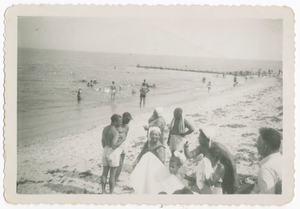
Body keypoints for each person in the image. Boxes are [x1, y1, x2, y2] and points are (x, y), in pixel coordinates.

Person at [183, 127, 239, 194]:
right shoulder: (202, 147)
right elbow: (190, 155)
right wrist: (186, 148)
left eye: (200, 137)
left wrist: (235, 180)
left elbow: (231, 161)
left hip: (225, 171)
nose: (198, 138)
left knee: (230, 191)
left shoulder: (217, 146)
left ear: (206, 139)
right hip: (215, 173)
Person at [101, 114, 123, 194]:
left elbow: (102, 141)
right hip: (112, 153)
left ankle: (103, 191)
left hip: (105, 150)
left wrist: (105, 148)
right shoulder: (115, 131)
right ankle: (111, 192)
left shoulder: (105, 129)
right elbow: (114, 145)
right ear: (114, 122)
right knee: (112, 175)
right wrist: (122, 140)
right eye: (119, 122)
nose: (121, 123)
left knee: (104, 173)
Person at [255, 128, 282, 194]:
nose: (256, 145)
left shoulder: (266, 169)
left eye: (258, 142)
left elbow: (267, 200)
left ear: (265, 148)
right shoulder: (282, 160)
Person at [115, 112, 133, 182]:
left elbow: (125, 135)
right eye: (127, 119)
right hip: (117, 145)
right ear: (123, 118)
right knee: (116, 162)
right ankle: (113, 177)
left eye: (129, 120)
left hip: (124, 144)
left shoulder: (127, 126)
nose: (129, 121)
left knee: (121, 162)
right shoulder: (117, 125)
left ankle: (117, 177)